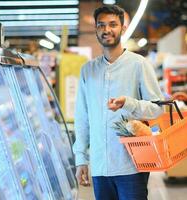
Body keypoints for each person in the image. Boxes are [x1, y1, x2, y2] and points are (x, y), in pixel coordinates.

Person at [73, 5, 164, 200]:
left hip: (131, 164)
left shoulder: (139, 65)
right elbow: (82, 118)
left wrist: (129, 103)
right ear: (96, 30)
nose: (107, 30)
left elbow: (157, 109)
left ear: (122, 28)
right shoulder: (87, 70)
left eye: (113, 24)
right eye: (101, 25)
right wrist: (81, 158)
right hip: (100, 167)